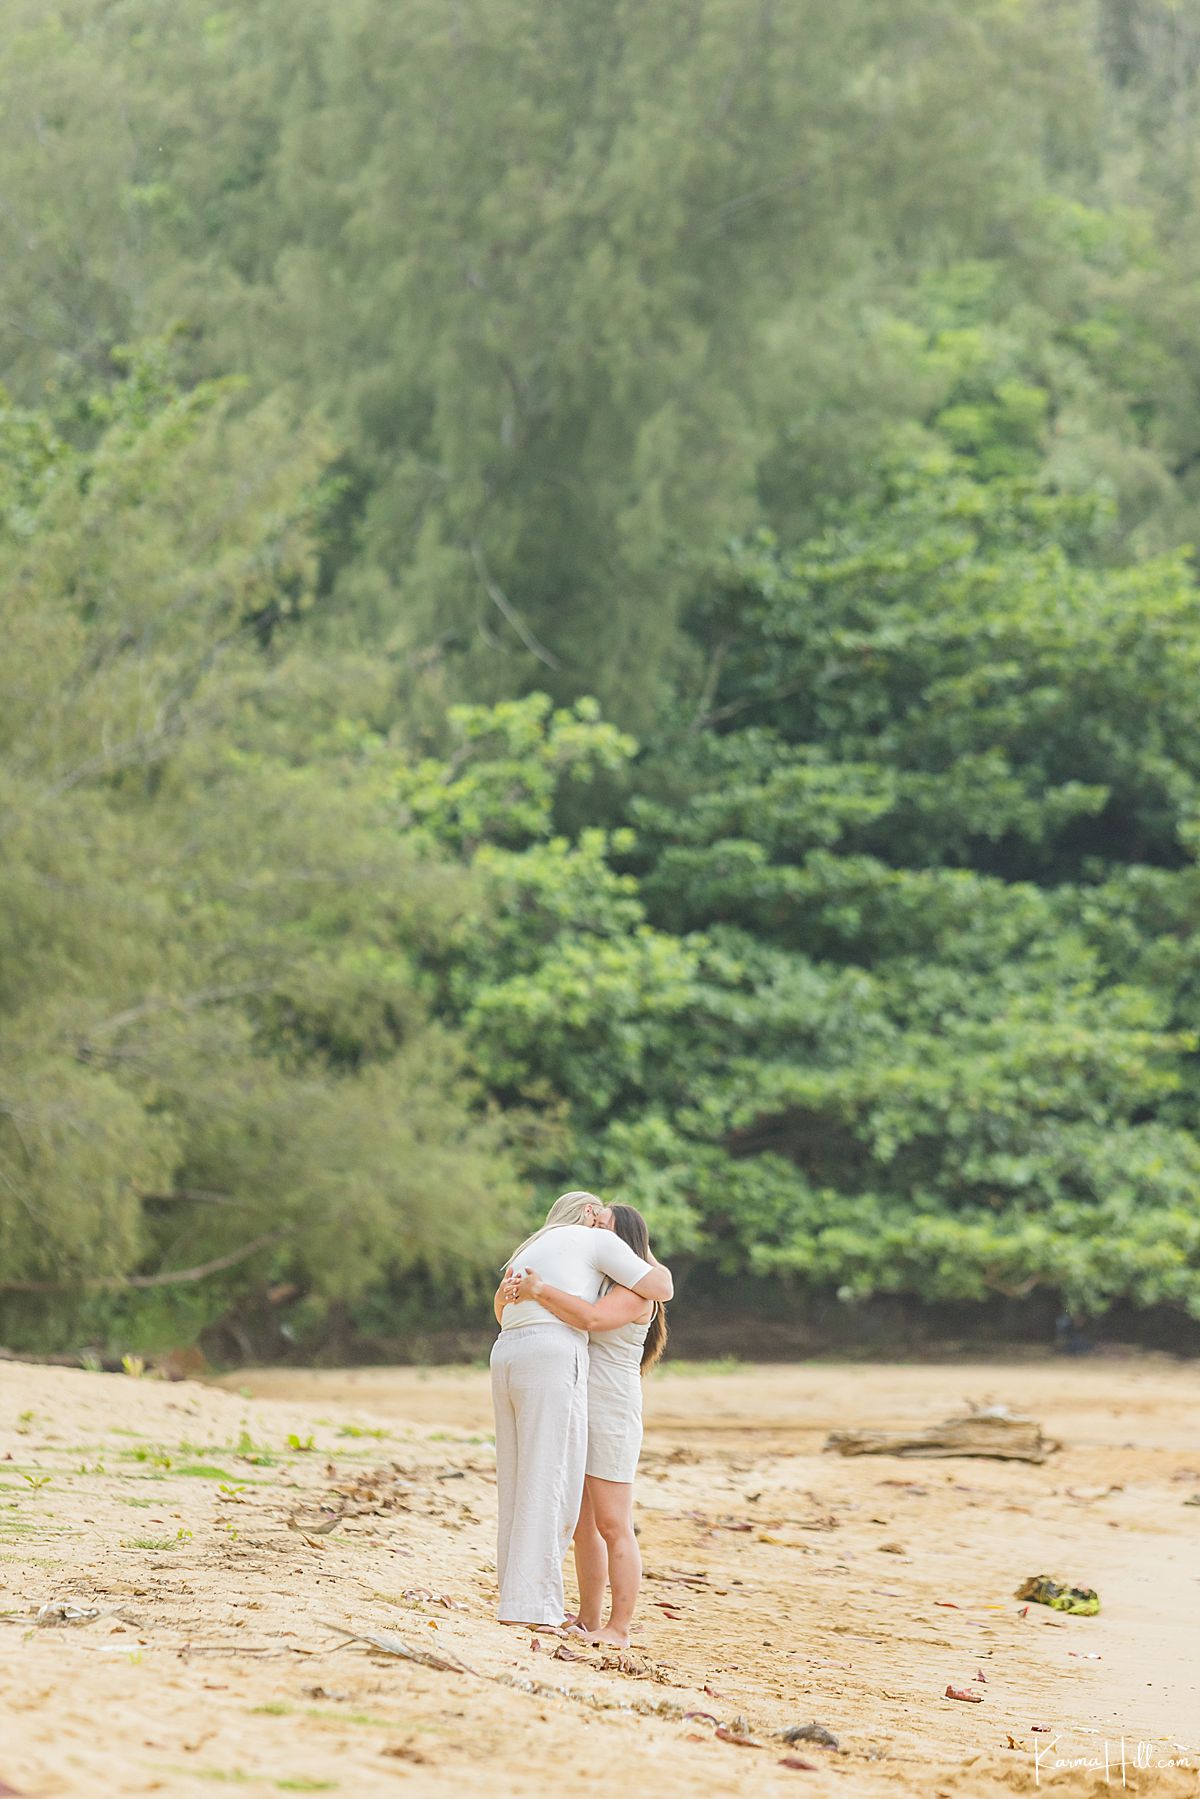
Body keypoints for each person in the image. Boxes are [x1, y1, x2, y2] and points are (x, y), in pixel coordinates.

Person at [490, 1191, 672, 1629]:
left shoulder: (634, 1293)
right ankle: (589, 1617)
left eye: (603, 1225)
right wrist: (513, 1294)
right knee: (581, 1524)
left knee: (613, 1522)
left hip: (609, 1405)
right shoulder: (594, 1277)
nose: (592, 1230)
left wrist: (540, 1290)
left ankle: (619, 1626)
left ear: (621, 1238)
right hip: (576, 1399)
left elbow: (588, 1319)